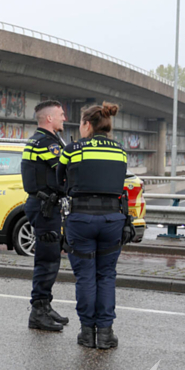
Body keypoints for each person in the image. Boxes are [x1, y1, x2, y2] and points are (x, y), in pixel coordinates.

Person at [57, 103, 129, 350]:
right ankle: (106, 334)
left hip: (81, 220)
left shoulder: (73, 149)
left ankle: (87, 333)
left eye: (80, 123)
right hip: (112, 220)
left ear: (87, 124)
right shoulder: (120, 151)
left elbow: (60, 180)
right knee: (106, 276)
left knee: (85, 277)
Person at [21, 100, 69, 332]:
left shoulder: (41, 140)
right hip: (45, 206)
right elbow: (64, 171)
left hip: (43, 205)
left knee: (50, 258)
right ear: (49, 119)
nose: (64, 118)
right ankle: (38, 312)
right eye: (61, 114)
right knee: (47, 260)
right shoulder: (46, 143)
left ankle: (45, 306)